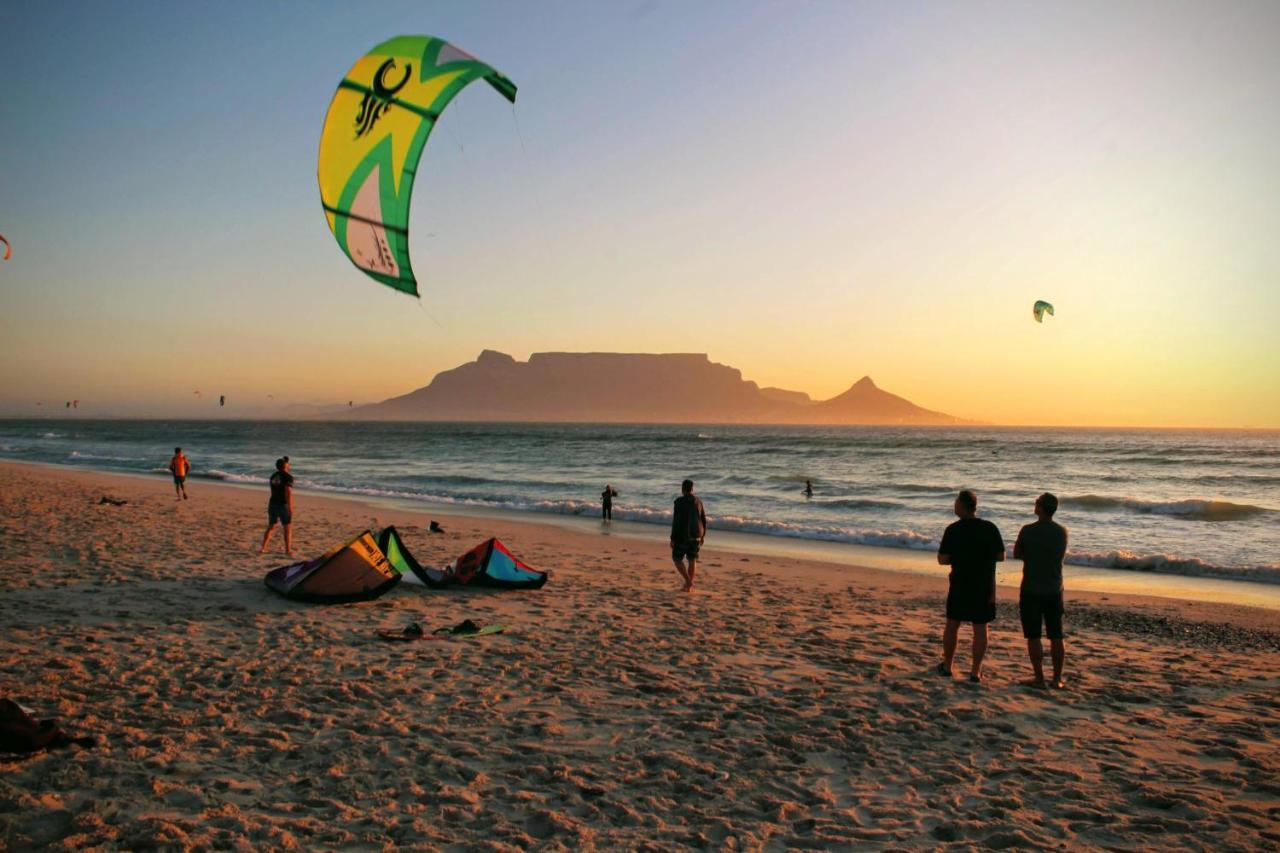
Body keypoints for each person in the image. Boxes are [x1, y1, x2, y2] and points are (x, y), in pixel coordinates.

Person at [936, 489, 1005, 682]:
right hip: (983, 582)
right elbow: (1001, 556)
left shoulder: (953, 529)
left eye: (956, 502)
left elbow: (942, 559)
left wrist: (960, 556)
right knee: (980, 628)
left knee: (952, 624)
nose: (954, 505)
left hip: (960, 582)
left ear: (962, 505)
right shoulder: (989, 528)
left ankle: (948, 666)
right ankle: (975, 671)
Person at [1014, 493, 1068, 689]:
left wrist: (1031, 555)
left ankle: (1039, 677)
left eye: (1036, 503)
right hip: (1054, 588)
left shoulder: (1027, 530)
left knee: (1034, 635)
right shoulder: (1062, 532)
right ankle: (1057, 678)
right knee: (1056, 635)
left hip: (1031, 588)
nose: (1034, 505)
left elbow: (1017, 553)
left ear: (1041, 508)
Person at [670, 479, 707, 592]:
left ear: (682, 489)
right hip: (696, 535)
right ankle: (688, 587)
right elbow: (704, 520)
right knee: (692, 560)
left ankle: (688, 582)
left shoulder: (679, 502)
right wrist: (703, 536)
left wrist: (672, 538)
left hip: (683, 535)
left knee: (676, 559)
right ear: (692, 489)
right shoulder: (699, 502)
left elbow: (676, 521)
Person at [259, 458, 295, 557]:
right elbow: (288, 491)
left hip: (272, 504)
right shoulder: (288, 477)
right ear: (286, 466)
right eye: (288, 464)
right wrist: (290, 507)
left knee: (271, 526)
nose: (289, 465)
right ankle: (288, 550)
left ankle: (263, 547)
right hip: (283, 505)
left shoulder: (273, 476)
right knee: (287, 528)